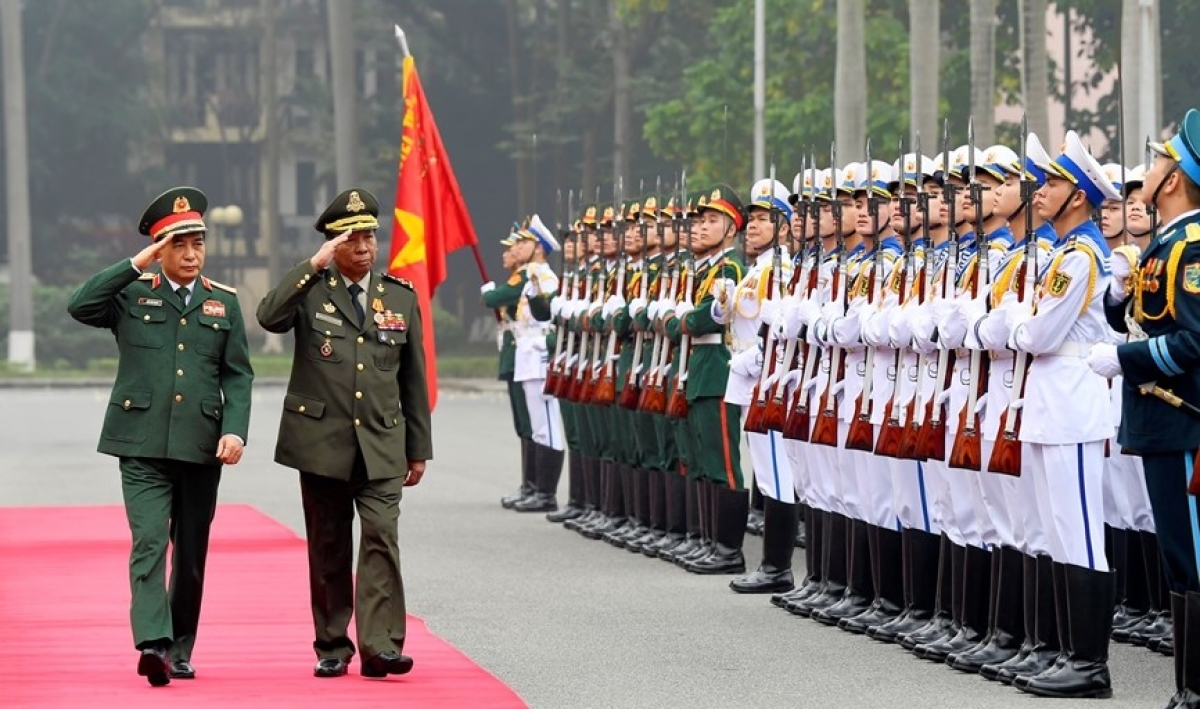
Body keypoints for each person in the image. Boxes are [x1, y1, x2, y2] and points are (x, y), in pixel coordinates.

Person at [67, 186, 253, 687]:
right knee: (149, 542)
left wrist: (235, 430)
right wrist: (134, 263)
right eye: (179, 245)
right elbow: (80, 305)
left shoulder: (224, 304)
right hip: (141, 444)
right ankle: (152, 642)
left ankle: (180, 647)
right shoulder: (130, 295)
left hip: (200, 444)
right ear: (159, 249)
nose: (191, 255)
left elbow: (238, 374)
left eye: (198, 244)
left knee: (190, 554)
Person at [256, 187, 432, 679]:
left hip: (382, 443)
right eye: (352, 240)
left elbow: (412, 380)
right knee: (329, 545)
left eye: (370, 238)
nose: (363, 248)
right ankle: (333, 644)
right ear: (333, 245)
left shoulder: (398, 296)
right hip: (322, 444)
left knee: (381, 537)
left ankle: (381, 646)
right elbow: (269, 316)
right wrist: (312, 265)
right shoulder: (311, 289)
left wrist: (418, 449)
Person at [1090, 108, 1200, 708]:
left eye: (1160, 160)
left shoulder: (1193, 245)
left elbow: (1194, 342)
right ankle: (1188, 687)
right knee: (1180, 561)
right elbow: (1144, 315)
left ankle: (1195, 690)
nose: (1150, 169)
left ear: (1175, 178)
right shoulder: (1164, 242)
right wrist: (1117, 297)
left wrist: (1127, 360)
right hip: (1159, 422)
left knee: (1194, 559)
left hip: (1183, 419)